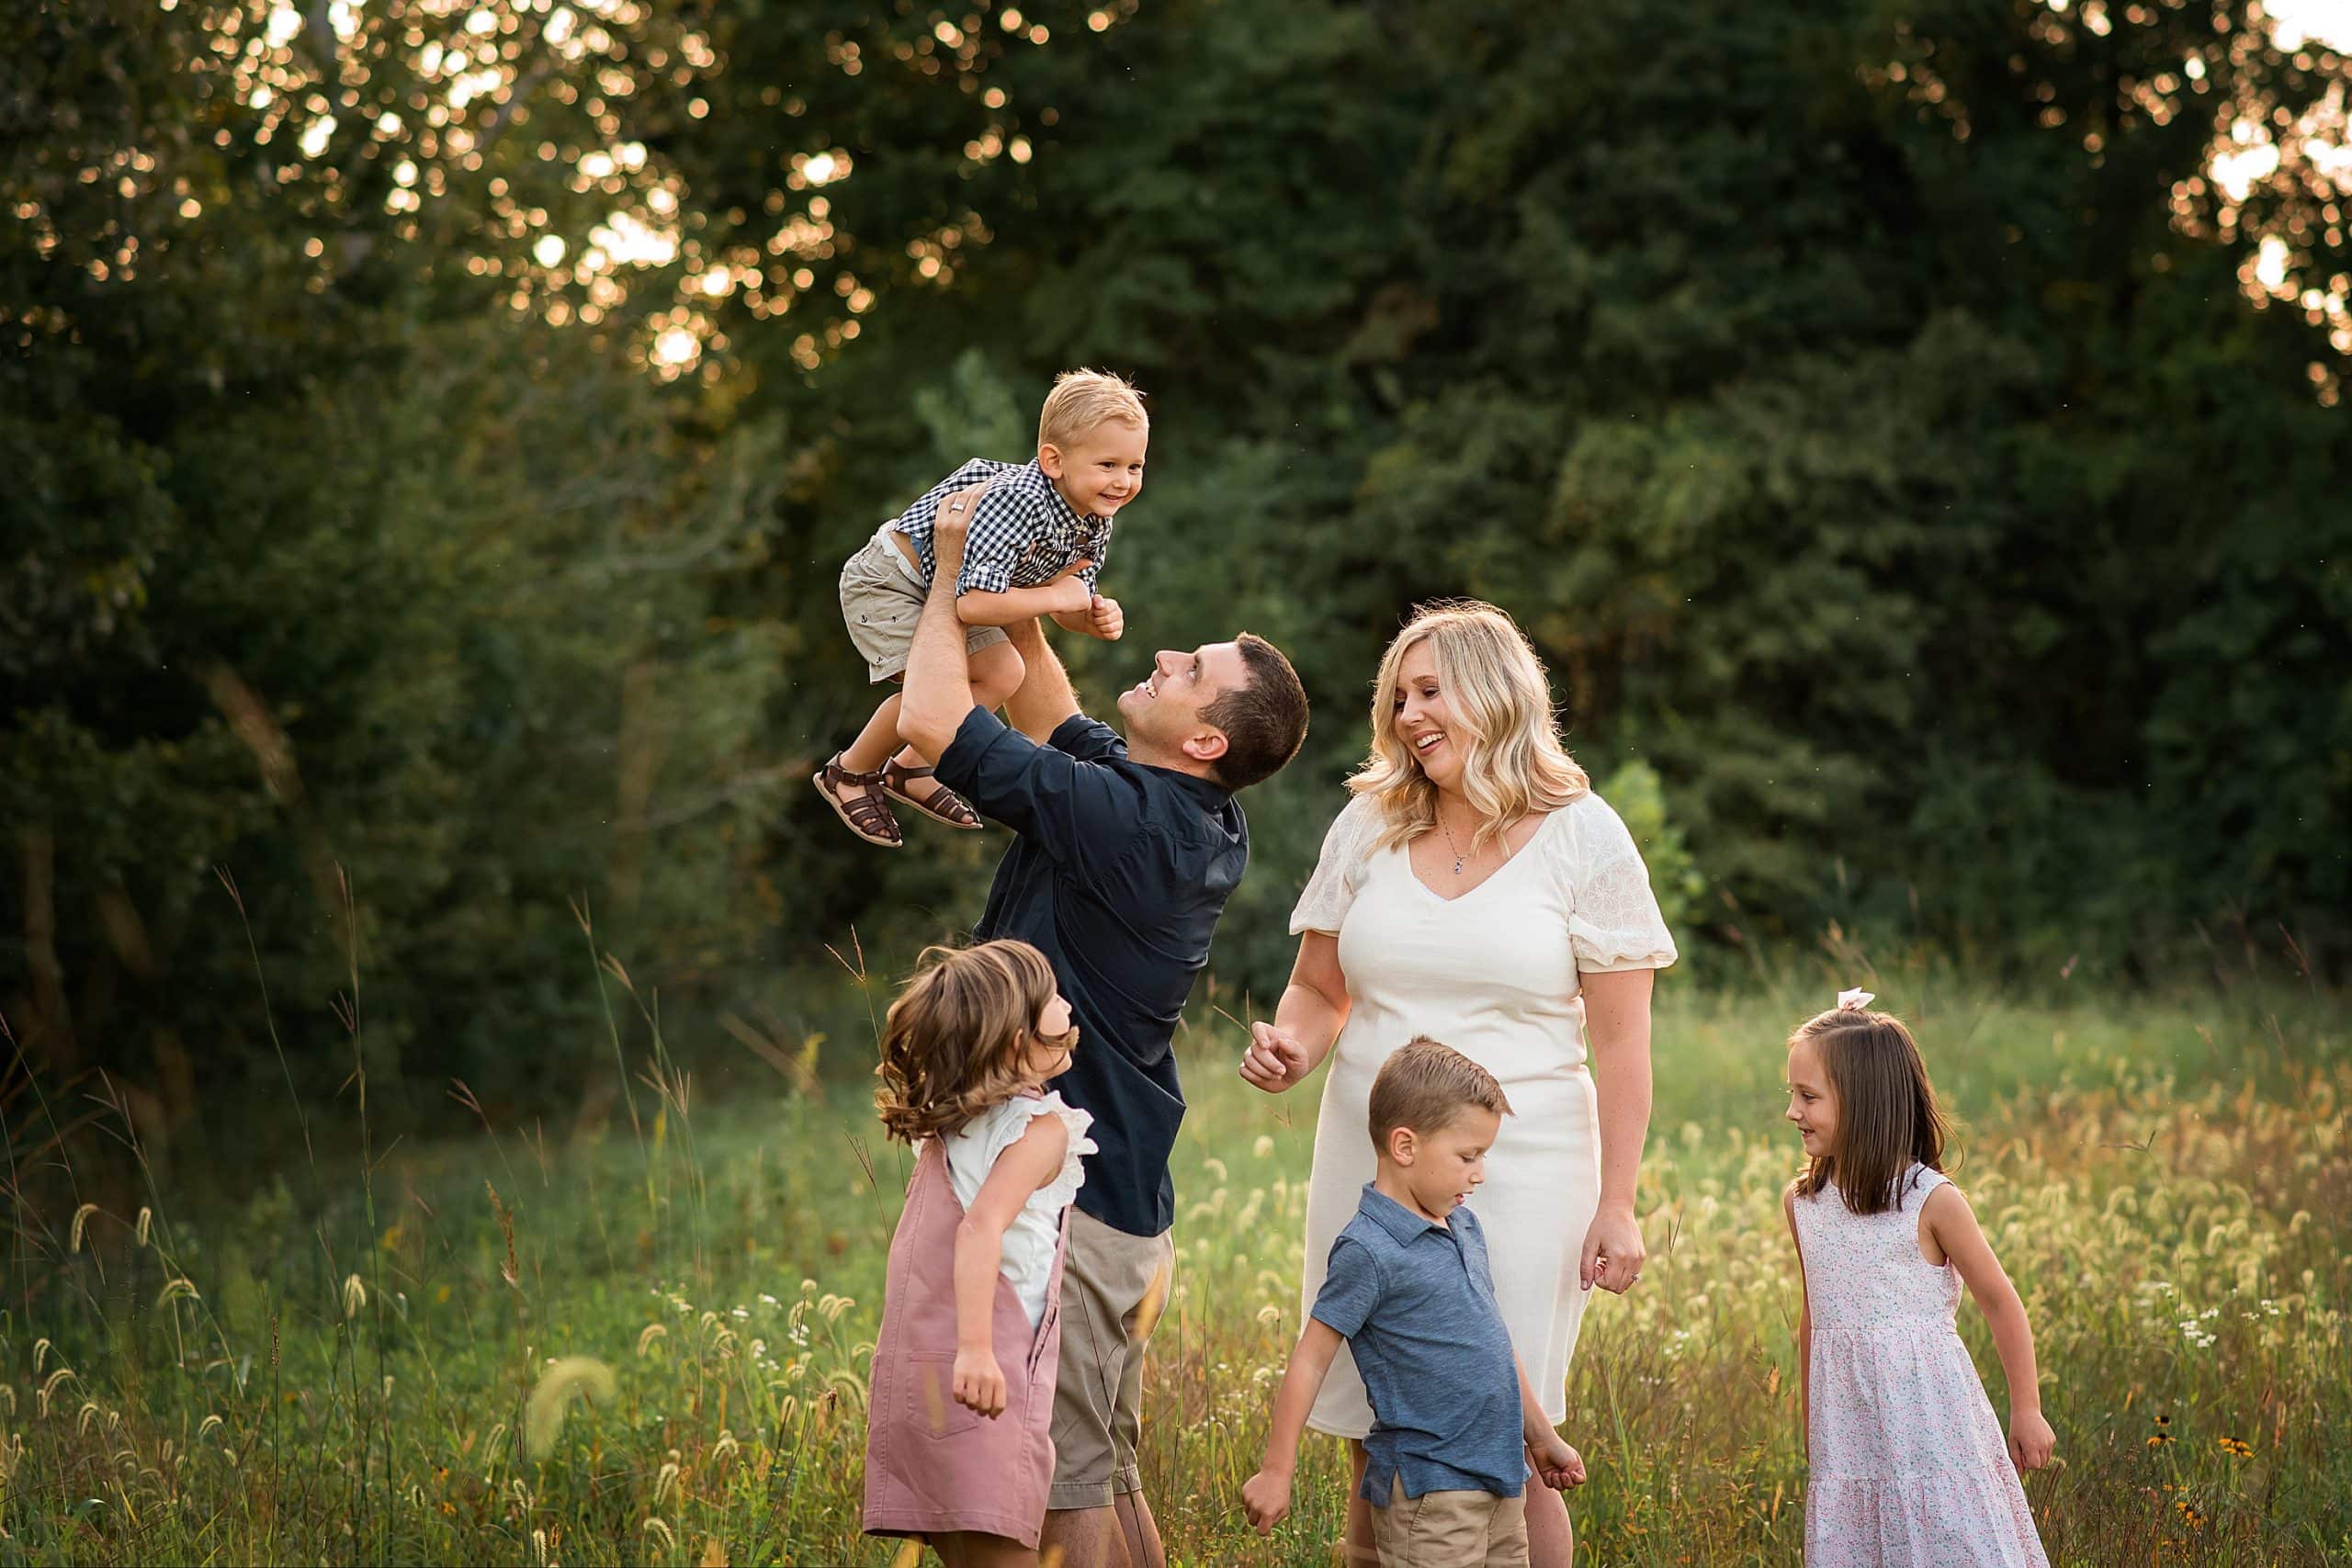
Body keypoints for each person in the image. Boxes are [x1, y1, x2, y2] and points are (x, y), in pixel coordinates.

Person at [896, 482, 1311, 1568]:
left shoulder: (1126, 820)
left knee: (1062, 1485)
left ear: (1208, 736)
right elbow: (1045, 713)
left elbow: (936, 724)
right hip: (1125, 1191)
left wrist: (948, 573)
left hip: (1068, 1203)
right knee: (1108, 1471)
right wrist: (1028, 585)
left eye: (1190, 672)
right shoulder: (1189, 812)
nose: (1167, 660)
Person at [1239, 599, 1677, 1568]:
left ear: (1495, 691)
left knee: (1506, 1430)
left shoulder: (1585, 837)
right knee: (1372, 1421)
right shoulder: (1368, 822)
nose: (1407, 715)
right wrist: (1292, 1051)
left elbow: (1623, 1053)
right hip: (1371, 1164)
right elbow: (1317, 988)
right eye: (1398, 697)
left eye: (1430, 691)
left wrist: (1618, 1204)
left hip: (1518, 1172)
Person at [1243, 1040, 1587, 1567]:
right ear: (1405, 1146)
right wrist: (1276, 1470)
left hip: (1499, 1480)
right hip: (1431, 1493)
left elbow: (1492, 1342)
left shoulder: (1463, 1227)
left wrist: (1540, 1437)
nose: (1480, 1174)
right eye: (1468, 1156)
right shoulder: (1368, 1249)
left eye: (1483, 1156)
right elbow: (1311, 1360)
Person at [815, 369, 1147, 849]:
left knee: (1003, 672)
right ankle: (849, 772)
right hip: (890, 583)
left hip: (944, 593)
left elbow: (1063, 598)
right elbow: (974, 603)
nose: (1122, 482)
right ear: (1053, 460)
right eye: (1108, 465)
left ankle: (911, 767)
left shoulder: (1092, 516)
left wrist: (1091, 617)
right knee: (936, 690)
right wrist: (1058, 597)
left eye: (1134, 467)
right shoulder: (1015, 502)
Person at [1782, 990, 2056, 1567]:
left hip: (1933, 1421)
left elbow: (2001, 1303)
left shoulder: (1929, 1201)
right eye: (1793, 1095)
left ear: (1864, 1103)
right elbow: (1814, 1316)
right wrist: (1813, 1420)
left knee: (1952, 1542)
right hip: (1849, 1424)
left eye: (1809, 1097)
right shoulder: (1804, 1204)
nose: (1793, 1112)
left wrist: (2026, 1408)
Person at [862, 940, 1100, 1566]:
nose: (1067, 1005)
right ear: (1013, 1039)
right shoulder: (1042, 1130)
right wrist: (975, 1349)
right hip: (983, 1374)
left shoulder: (950, 1124)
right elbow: (979, 1228)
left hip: (917, 1372)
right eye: (1050, 998)